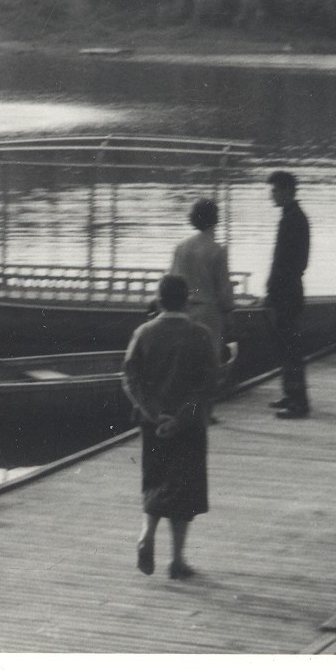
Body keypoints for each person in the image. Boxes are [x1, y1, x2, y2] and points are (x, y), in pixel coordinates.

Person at [122, 274, 217, 581]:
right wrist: (180, 416)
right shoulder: (200, 334)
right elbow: (207, 384)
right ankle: (177, 560)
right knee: (185, 488)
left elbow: (130, 378)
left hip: (152, 424)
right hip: (188, 425)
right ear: (187, 300)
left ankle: (146, 533)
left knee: (155, 479)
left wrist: (154, 414)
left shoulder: (144, 332)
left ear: (159, 300)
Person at [264, 171, 311, 419]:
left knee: (291, 347)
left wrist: (273, 290)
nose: (271, 195)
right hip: (289, 289)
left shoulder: (293, 220)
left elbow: (287, 262)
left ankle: (298, 403)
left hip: (287, 292)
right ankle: (290, 394)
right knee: (286, 346)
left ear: (285, 191)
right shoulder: (292, 217)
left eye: (274, 190)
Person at [169, 198, 234, 368]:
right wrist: (229, 313)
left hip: (183, 311)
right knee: (209, 361)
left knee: (184, 361)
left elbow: (171, 281)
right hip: (208, 313)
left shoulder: (181, 247)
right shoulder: (217, 250)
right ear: (215, 219)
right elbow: (224, 290)